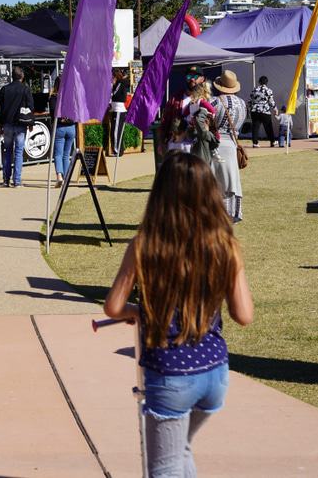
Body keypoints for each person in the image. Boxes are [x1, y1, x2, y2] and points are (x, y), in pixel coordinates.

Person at [104, 153, 254, 478]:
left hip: (170, 373)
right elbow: (243, 314)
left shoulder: (144, 245)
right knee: (179, 450)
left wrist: (139, 311)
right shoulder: (225, 245)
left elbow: (113, 307)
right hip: (215, 373)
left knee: (164, 469)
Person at [211, 70, 247, 223]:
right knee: (230, 182)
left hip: (215, 144)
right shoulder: (242, 104)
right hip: (232, 144)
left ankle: (214, 215)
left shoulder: (214, 102)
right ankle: (229, 215)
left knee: (213, 182)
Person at [0, 66, 34, 188]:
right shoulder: (25, 89)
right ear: (22, 76)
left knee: (8, 152)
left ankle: (6, 180)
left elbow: (0, 110)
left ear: (12, 76)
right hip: (20, 123)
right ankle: (17, 180)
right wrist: (30, 123)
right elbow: (30, 107)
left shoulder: (4, 89)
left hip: (7, 124)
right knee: (18, 152)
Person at [158, 67, 205, 156]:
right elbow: (165, 122)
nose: (191, 79)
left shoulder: (206, 99)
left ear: (202, 79)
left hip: (196, 146)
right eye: (189, 76)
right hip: (175, 145)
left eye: (195, 76)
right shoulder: (175, 98)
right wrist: (161, 142)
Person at [48, 78, 76, 188]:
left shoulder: (54, 97)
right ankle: (67, 177)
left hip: (59, 127)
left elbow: (53, 113)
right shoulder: (71, 96)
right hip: (71, 127)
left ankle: (59, 175)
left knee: (58, 154)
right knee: (66, 154)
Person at [105, 68, 129, 157]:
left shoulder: (120, 83)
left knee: (116, 131)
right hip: (116, 109)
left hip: (119, 110)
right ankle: (119, 150)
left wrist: (112, 85)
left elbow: (114, 94)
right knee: (117, 131)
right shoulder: (119, 83)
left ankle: (117, 150)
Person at [248, 76, 276, 148]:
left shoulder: (254, 90)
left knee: (255, 127)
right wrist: (275, 108)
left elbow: (250, 100)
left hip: (254, 110)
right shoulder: (268, 90)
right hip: (265, 111)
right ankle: (272, 141)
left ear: (259, 82)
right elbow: (271, 101)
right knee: (268, 127)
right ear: (267, 82)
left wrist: (249, 108)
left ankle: (255, 143)